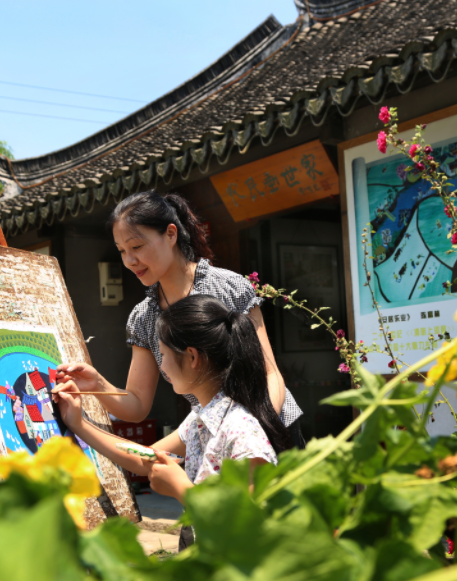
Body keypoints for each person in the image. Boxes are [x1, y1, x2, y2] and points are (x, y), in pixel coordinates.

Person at [55, 191, 304, 447]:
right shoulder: (143, 317)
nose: (130, 261)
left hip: (273, 429)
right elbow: (137, 404)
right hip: (216, 443)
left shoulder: (228, 286)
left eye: (137, 246)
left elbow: (270, 375)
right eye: (122, 251)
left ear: (171, 234)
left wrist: (251, 430)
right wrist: (97, 383)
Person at [53, 296, 293, 547]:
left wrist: (181, 488)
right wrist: (78, 423)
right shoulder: (202, 415)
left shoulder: (242, 430)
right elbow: (145, 458)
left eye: (163, 354)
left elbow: (252, 524)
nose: (162, 365)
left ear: (192, 357)